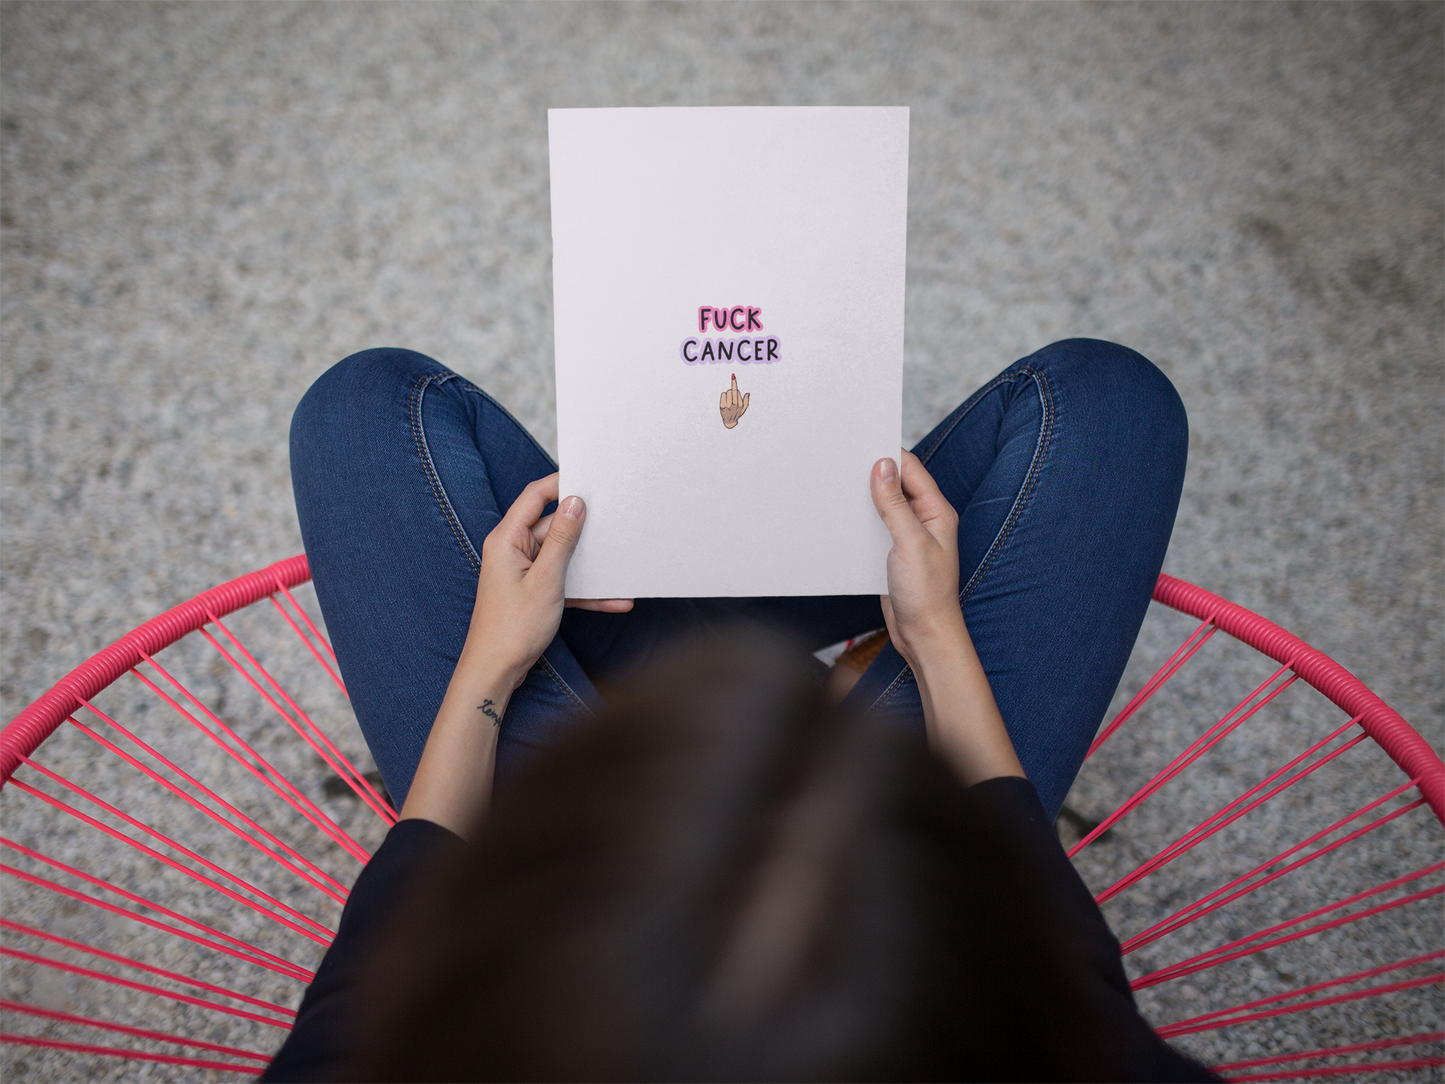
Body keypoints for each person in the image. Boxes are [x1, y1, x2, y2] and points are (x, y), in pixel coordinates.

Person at [263, 339, 1210, 1081]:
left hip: (582, 861)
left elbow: (427, 875)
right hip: (872, 846)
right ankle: (756, 657)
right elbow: (1015, 865)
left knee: (363, 410)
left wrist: (496, 652)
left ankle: (690, 645)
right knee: (1110, 404)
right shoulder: (1059, 1046)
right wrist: (932, 632)